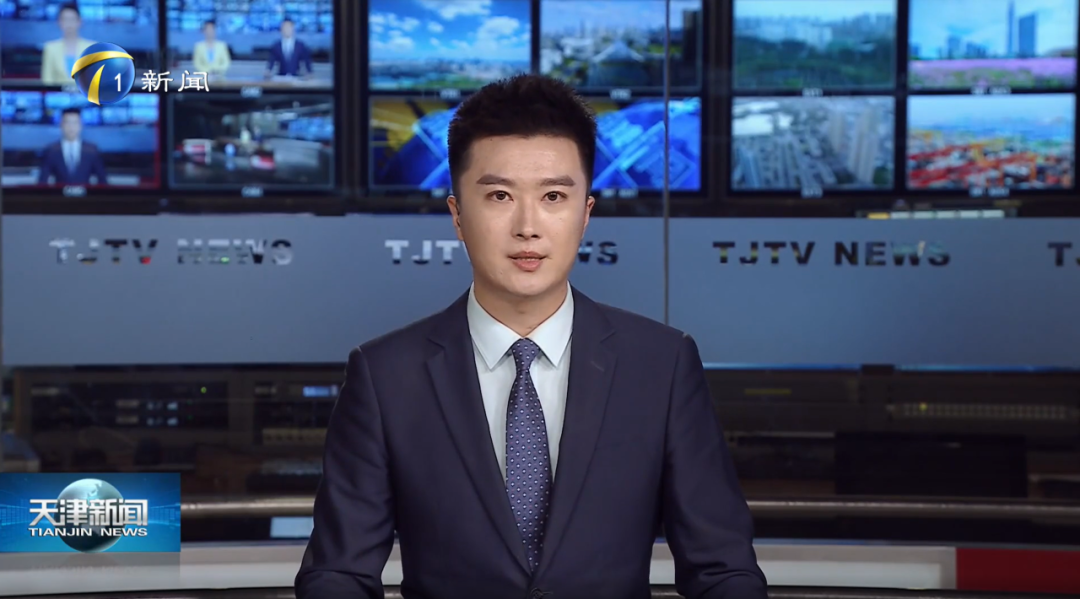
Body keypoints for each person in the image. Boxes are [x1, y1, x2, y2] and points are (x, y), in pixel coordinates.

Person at [295, 74, 767, 599]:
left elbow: (723, 569)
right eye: (499, 195)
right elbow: (337, 574)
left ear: (585, 214)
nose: (528, 226)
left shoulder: (662, 365)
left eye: (554, 196)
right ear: (457, 215)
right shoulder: (386, 376)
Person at [38, 107, 108, 185]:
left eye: (75, 123)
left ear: (81, 125)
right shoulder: (51, 150)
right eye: (67, 122)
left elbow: (103, 181)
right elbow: (42, 182)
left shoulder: (92, 150)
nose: (71, 127)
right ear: (61, 125)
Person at [40, 3, 94, 85]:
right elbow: (47, 81)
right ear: (59, 22)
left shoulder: (91, 48)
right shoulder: (50, 48)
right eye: (65, 19)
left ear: (79, 22)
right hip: (57, 93)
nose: (69, 24)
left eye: (72, 19)